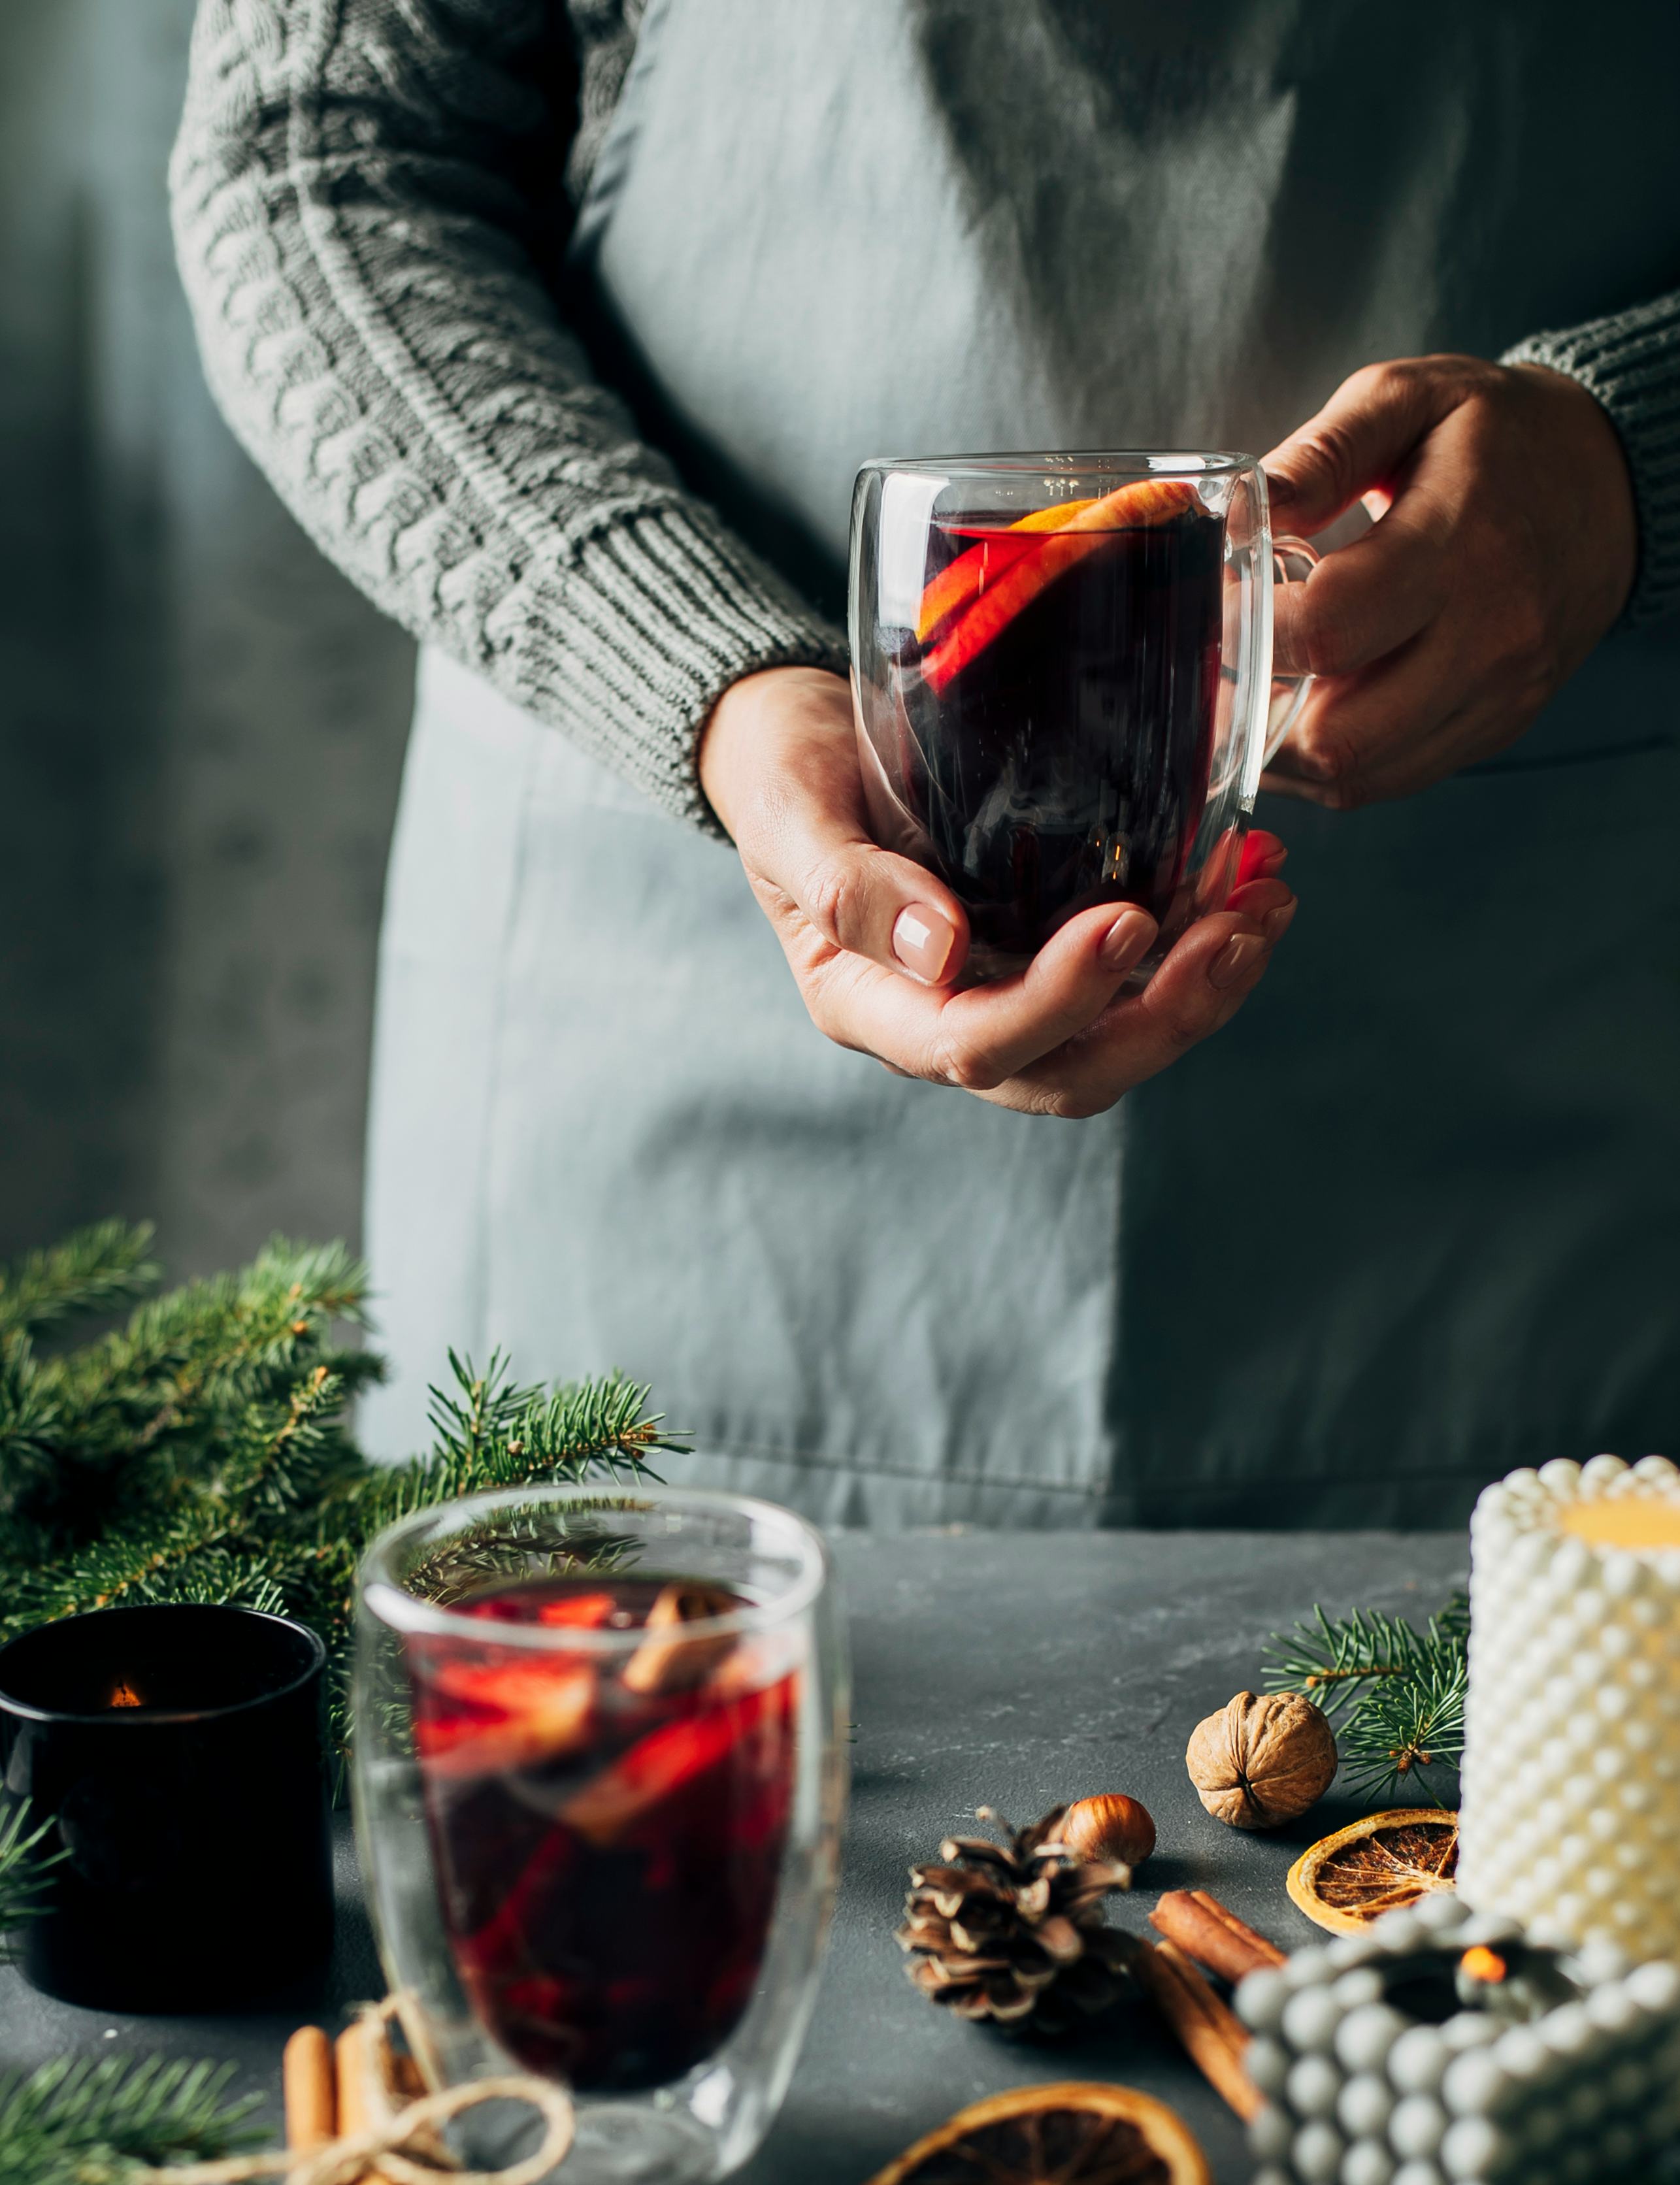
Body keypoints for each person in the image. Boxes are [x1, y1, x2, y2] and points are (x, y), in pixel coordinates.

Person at [172, 1, 1680, 1530]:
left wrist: (1625, 468)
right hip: (672, 1107)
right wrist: (701, 678)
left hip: (1523, 1157)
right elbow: (318, 161)